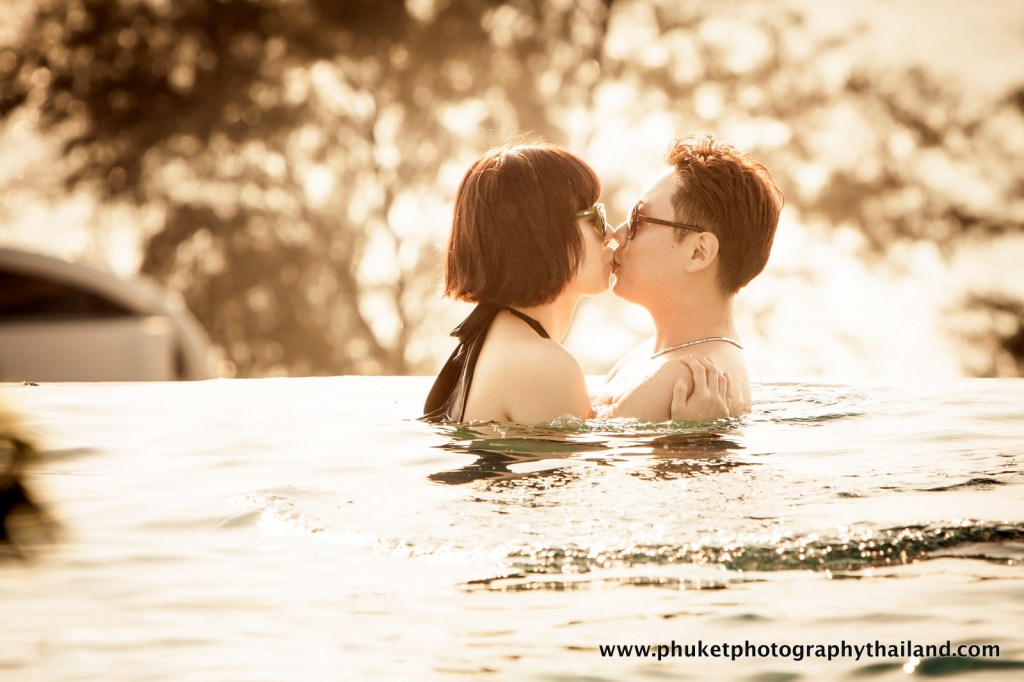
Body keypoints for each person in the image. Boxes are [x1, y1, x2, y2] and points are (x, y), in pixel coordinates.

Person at [423, 142, 732, 425]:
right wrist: (693, 437)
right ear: (545, 235)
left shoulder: (493, 337)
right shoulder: (544, 366)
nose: (610, 233)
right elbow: (590, 486)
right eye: (594, 217)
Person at [595, 135, 784, 421]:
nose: (617, 235)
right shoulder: (651, 356)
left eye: (637, 220)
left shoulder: (686, 376)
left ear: (698, 252)